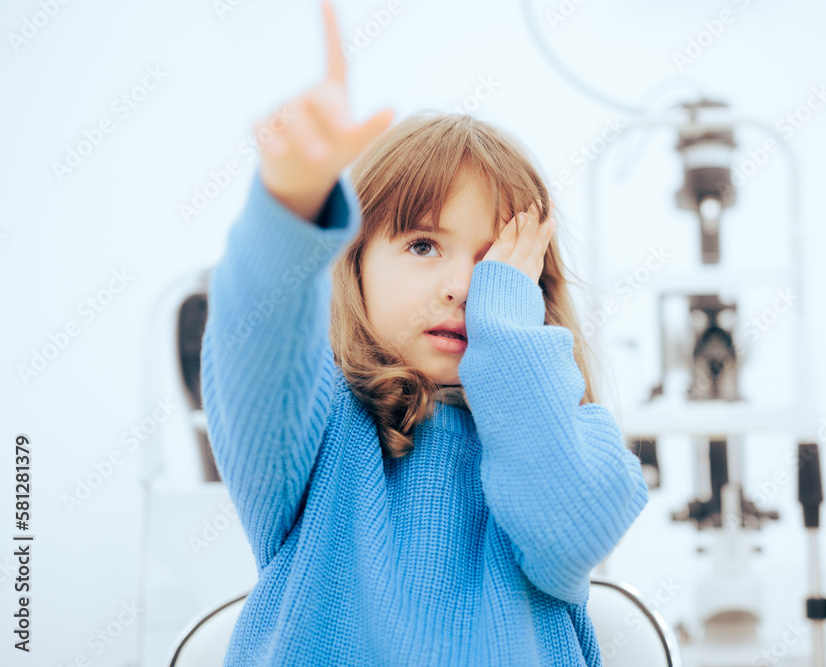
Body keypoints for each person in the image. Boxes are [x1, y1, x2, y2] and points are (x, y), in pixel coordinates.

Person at [200, 1, 649, 664]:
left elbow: (568, 529)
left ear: (531, 296)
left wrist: (505, 333)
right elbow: (256, 343)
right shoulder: (318, 425)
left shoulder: (580, 438)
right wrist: (291, 204)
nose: (464, 287)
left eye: (495, 261)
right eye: (421, 245)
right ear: (352, 263)